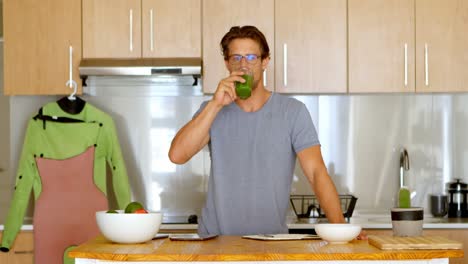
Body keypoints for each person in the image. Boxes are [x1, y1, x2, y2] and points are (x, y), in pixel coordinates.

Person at [169, 25, 366, 239]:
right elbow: (177, 155)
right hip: (216, 242)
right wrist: (215, 104)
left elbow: (316, 172)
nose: (243, 65)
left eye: (251, 57)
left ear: (265, 62)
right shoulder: (212, 109)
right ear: (227, 63)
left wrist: (341, 229)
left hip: (271, 242)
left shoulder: (292, 111)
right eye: (236, 58)